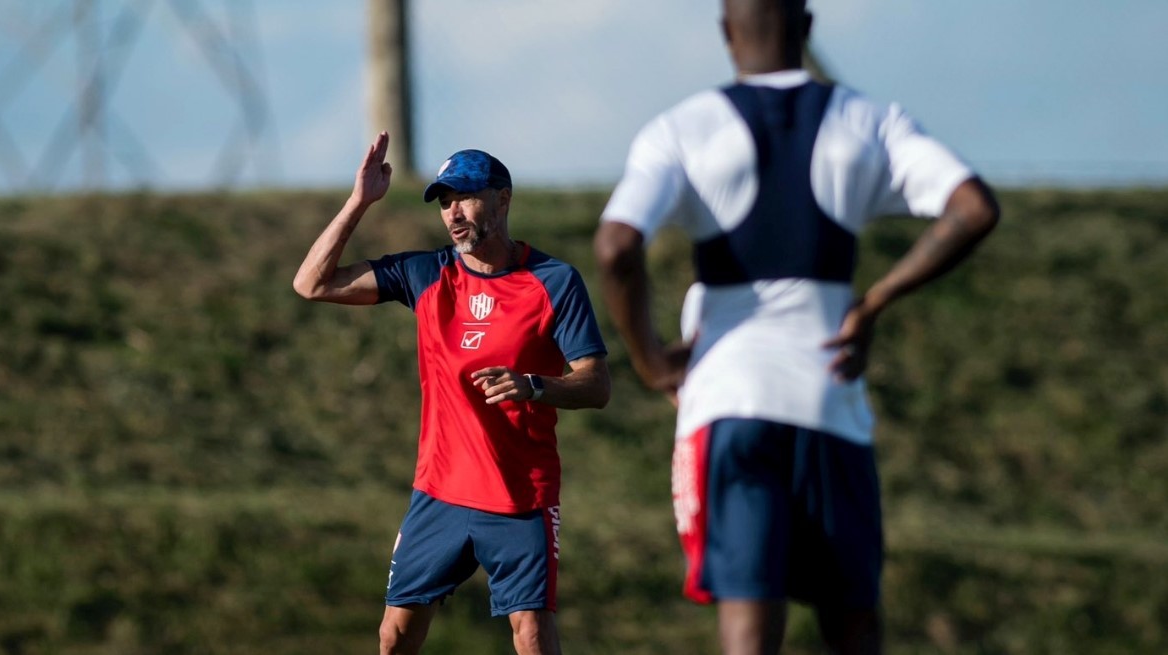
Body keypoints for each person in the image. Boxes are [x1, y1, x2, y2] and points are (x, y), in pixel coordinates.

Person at [593, 1, 1000, 653]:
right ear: (808, 27)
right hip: (829, 400)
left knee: (749, 625)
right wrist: (874, 302)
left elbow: (616, 247)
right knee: (853, 623)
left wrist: (649, 362)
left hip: (730, 403)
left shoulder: (684, 127)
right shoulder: (868, 120)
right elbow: (974, 207)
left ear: (726, 33)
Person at [294, 132, 610, 655]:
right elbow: (311, 284)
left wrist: (535, 386)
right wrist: (359, 202)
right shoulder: (426, 274)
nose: (453, 213)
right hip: (439, 494)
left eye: (464, 197)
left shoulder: (553, 281)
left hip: (519, 498)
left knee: (531, 636)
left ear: (503, 199)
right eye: (444, 202)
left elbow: (597, 385)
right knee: (395, 637)